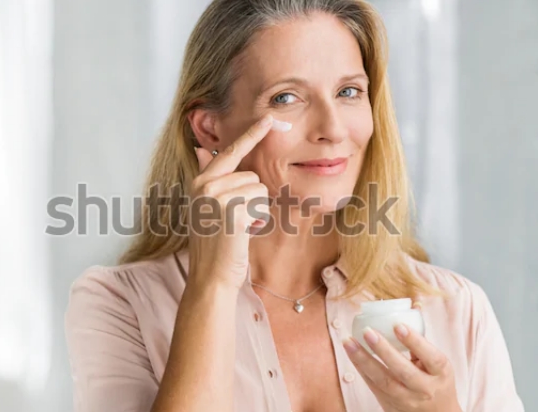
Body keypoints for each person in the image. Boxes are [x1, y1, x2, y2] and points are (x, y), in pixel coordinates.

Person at [64, 0, 524, 411]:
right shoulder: (120, 305)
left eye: (348, 92)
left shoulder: (457, 310)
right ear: (208, 129)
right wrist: (212, 287)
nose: (332, 128)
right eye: (287, 97)